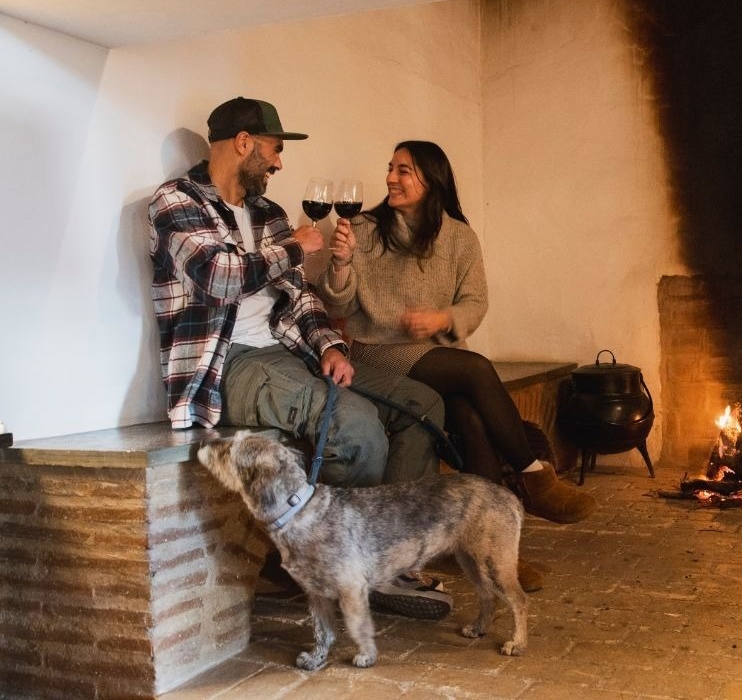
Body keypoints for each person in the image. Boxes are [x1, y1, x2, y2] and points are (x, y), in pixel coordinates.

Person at [149, 97, 451, 619]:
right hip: (226, 363)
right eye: (275, 149)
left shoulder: (268, 214)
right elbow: (219, 277)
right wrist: (294, 247)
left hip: (288, 353)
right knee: (356, 428)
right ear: (243, 142)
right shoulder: (175, 202)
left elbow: (300, 298)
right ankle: (343, 564)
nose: (279, 163)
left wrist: (329, 346)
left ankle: (385, 555)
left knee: (419, 406)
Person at [316, 140, 599, 573]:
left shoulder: (459, 237)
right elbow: (338, 308)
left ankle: (486, 549)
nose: (391, 177)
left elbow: (475, 302)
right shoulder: (366, 230)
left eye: (403, 170)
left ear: (432, 179)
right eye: (390, 168)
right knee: (476, 369)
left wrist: (441, 319)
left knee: (469, 416)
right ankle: (533, 475)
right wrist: (340, 264)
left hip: (439, 358)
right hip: (379, 353)